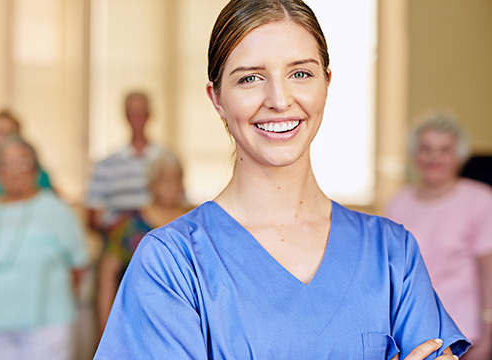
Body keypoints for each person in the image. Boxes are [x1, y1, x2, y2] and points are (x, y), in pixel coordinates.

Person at [94, 1, 470, 359]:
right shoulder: (173, 262)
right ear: (217, 99)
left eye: (300, 74)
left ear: (326, 84)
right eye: (251, 78)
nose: (279, 99)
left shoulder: (392, 255)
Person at [0, 136, 90, 360]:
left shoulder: (56, 209)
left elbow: (78, 266)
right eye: (5, 164)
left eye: (22, 163)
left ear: (35, 168)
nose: (13, 171)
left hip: (45, 325)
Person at [387, 112, 492, 360]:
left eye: (444, 149)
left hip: (466, 336)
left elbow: (489, 272)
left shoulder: (480, 200)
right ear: (414, 154)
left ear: (459, 156)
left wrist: (488, 337)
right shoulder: (398, 203)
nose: (434, 157)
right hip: (412, 332)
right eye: (426, 148)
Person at [96, 153, 191, 338]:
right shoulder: (129, 225)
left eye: (176, 178)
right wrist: (106, 329)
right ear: (151, 183)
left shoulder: (193, 223)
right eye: (164, 179)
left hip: (184, 327)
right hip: (137, 325)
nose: (171, 185)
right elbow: (107, 277)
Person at [85, 92, 165, 234]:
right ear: (125, 116)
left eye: (141, 112)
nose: (137, 118)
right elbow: (93, 217)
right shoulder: (105, 165)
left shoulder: (167, 160)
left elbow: (177, 206)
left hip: (159, 235)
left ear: (149, 115)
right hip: (118, 239)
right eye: (132, 113)